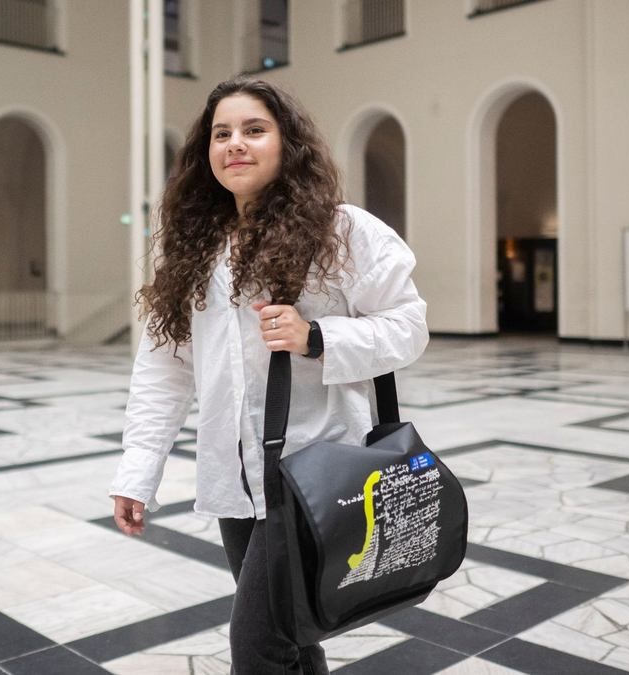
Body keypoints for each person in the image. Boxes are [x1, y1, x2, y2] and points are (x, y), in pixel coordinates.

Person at [108, 76, 429, 674]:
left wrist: (317, 338)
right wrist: (138, 470)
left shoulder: (344, 231)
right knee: (294, 639)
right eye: (221, 133)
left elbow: (409, 327)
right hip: (236, 477)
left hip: (316, 468)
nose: (235, 144)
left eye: (255, 130)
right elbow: (164, 368)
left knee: (257, 646)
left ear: (288, 143)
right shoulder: (196, 250)